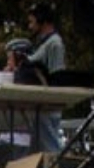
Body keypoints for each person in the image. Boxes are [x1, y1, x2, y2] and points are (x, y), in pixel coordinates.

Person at [27, 3, 66, 151]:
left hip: (49, 106)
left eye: (32, 22)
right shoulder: (43, 44)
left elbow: (57, 76)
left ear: (42, 20)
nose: (30, 27)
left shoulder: (55, 44)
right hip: (39, 105)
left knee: (50, 147)